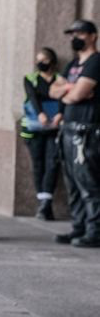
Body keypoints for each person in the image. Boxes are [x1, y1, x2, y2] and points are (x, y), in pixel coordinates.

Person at [49, 20, 100, 247]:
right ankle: (78, 226)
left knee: (88, 182)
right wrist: (69, 90)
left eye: (79, 33)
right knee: (72, 183)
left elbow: (78, 95)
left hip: (86, 130)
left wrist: (69, 91)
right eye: (72, 34)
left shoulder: (96, 62)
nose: (74, 37)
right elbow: (53, 90)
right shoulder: (72, 64)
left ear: (92, 36)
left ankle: (95, 230)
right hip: (68, 129)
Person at [21, 47, 63, 220]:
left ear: (52, 61)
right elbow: (32, 97)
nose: (40, 63)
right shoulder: (31, 78)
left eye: (44, 60)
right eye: (38, 60)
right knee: (38, 164)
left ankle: (46, 202)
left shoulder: (61, 79)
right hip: (34, 128)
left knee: (52, 164)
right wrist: (41, 114)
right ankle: (42, 203)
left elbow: (64, 98)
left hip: (55, 127)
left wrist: (60, 114)